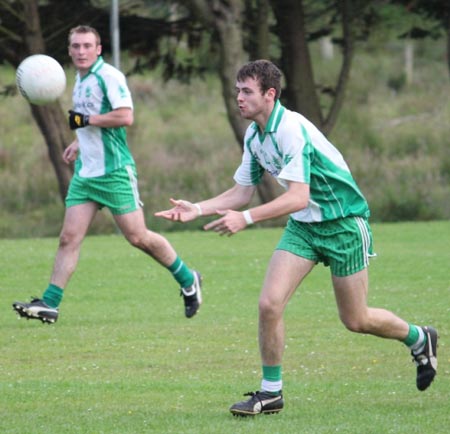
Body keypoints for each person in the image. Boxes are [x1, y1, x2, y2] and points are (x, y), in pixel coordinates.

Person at [155, 59, 438, 416]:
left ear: (269, 94)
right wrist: (196, 208)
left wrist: (246, 219)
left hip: (343, 224)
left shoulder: (290, 129)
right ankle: (271, 393)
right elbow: (242, 193)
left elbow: (296, 197)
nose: (238, 98)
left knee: (356, 320)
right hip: (304, 227)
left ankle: (418, 338)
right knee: (269, 304)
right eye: (237, 91)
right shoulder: (254, 135)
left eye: (247, 92)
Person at [12, 25, 202, 324]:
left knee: (138, 237)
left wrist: (85, 120)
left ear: (98, 49)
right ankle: (50, 303)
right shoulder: (79, 78)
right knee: (68, 238)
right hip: (86, 174)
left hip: (114, 173)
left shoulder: (109, 76)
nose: (81, 51)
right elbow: (91, 122)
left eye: (87, 46)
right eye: (75, 46)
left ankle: (188, 278)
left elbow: (125, 116)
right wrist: (78, 142)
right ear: (70, 49)